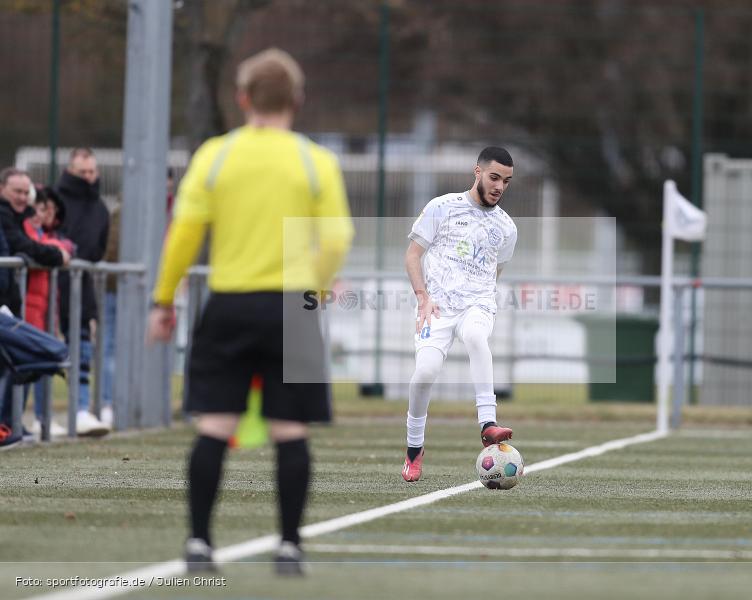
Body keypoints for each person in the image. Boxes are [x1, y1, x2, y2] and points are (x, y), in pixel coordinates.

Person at [147, 48, 353, 574]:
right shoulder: (315, 161)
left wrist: (164, 299)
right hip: (294, 306)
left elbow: (184, 235)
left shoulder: (215, 156)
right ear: (297, 101)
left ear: (242, 99)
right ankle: (289, 547)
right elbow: (337, 237)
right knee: (291, 431)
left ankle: (199, 544)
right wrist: (318, 287)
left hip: (231, 302)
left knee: (214, 425)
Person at [402, 147, 518, 482]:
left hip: (476, 306)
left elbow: (496, 271)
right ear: (477, 172)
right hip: (436, 307)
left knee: (476, 337)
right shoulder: (442, 207)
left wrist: (483, 298)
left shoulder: (507, 228)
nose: (499, 186)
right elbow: (412, 256)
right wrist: (423, 298)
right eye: (494, 177)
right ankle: (414, 449)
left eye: (506, 181)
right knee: (424, 374)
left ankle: (488, 423)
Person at [0, 168, 70, 443]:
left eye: (24, 191)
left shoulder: (19, 217)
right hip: (11, 304)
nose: (21, 197)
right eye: (16, 190)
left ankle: (9, 424)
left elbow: (24, 246)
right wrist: (55, 254)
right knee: (26, 358)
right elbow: (22, 245)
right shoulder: (5, 216)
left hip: (13, 303)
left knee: (18, 363)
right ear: (2, 188)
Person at [56, 148, 111, 435]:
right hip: (52, 286)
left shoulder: (100, 207)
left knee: (83, 351)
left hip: (82, 288)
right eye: (83, 172)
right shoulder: (57, 200)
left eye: (92, 172)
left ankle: (80, 410)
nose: (89, 178)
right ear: (71, 171)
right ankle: (41, 417)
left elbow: (98, 249)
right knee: (42, 353)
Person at [23, 186, 74, 438]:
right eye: (43, 209)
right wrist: (57, 250)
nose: (46, 214)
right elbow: (35, 247)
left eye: (50, 210)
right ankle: (22, 420)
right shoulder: (27, 230)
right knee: (24, 364)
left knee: (39, 363)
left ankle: (38, 419)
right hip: (28, 308)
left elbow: (65, 246)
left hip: (42, 308)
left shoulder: (45, 233)